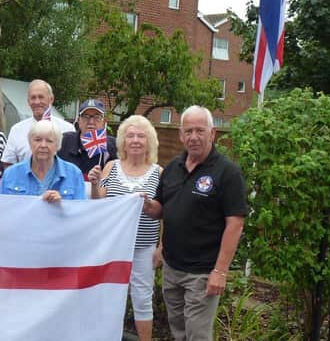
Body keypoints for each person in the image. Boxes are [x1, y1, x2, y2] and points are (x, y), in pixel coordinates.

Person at [143, 105, 247, 341]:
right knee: (178, 331)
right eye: (188, 131)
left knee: (197, 334)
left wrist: (220, 271)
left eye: (200, 131)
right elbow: (160, 209)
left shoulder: (227, 172)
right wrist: (145, 205)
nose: (193, 137)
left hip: (202, 272)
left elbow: (235, 224)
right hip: (172, 268)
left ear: (212, 134)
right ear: (181, 135)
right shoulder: (172, 168)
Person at [89, 115, 161, 340]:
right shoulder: (110, 167)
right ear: (123, 141)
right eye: (130, 135)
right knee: (108, 295)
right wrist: (93, 183)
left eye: (141, 136)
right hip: (112, 246)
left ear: (149, 141)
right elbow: (98, 203)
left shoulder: (159, 173)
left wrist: (162, 247)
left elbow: (165, 212)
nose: (136, 140)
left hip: (143, 247)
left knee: (142, 298)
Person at [0, 120, 85, 202]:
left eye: (49, 141)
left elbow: (79, 212)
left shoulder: (74, 174)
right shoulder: (10, 174)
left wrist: (62, 205)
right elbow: (3, 210)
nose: (43, 145)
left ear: (57, 145)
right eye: (38, 140)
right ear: (30, 143)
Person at [1, 80, 74, 167]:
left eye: (41, 97)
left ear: (51, 99)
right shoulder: (17, 130)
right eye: (33, 98)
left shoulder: (68, 129)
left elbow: (73, 163)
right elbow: (8, 163)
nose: (37, 102)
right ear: (28, 101)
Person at [58, 98, 117, 192]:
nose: (91, 122)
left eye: (97, 117)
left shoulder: (114, 146)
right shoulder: (63, 141)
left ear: (104, 122)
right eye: (86, 116)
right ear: (78, 120)